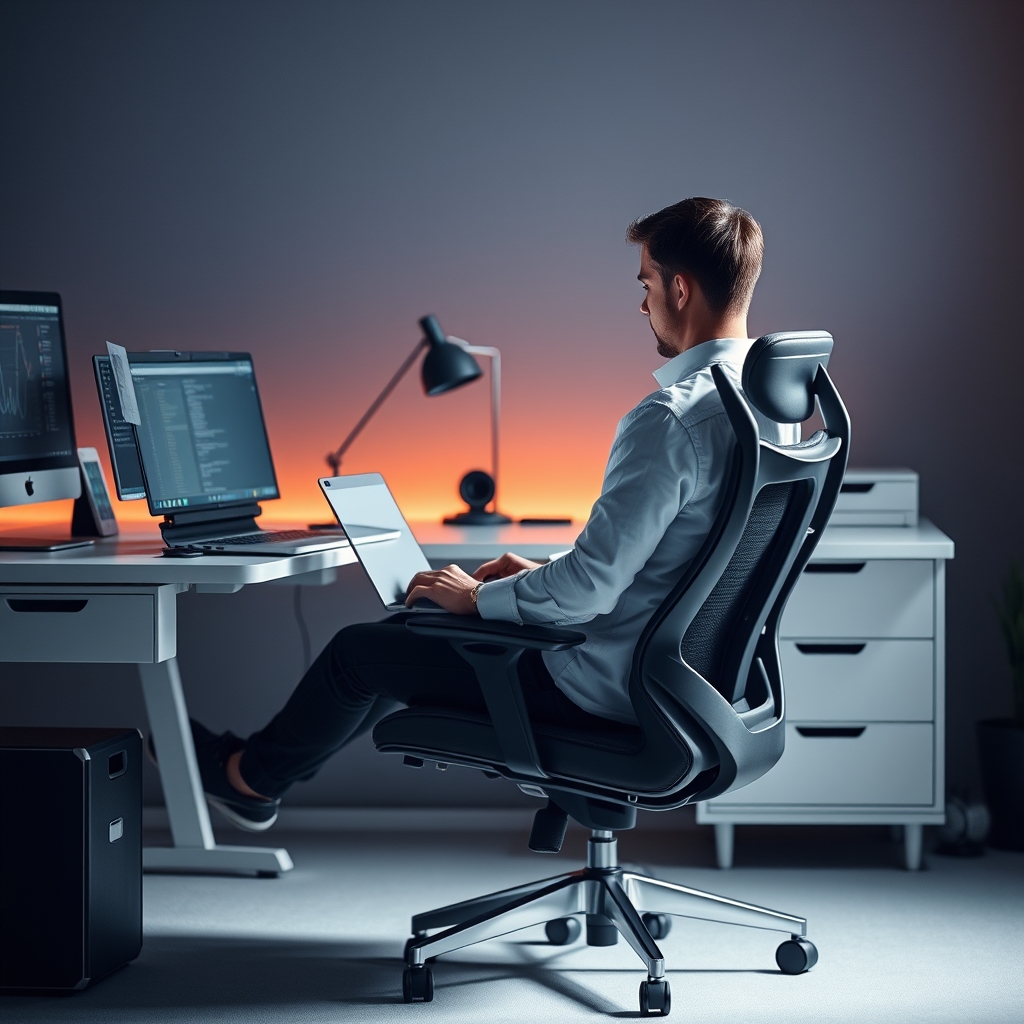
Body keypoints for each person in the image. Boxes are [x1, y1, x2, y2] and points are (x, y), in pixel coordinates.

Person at [187, 196, 793, 832]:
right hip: (700, 692)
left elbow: (591, 587)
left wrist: (480, 597)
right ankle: (255, 775)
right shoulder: (773, 407)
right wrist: (531, 577)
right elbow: (677, 567)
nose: (642, 305)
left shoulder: (671, 418)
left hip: (605, 693)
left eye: (645, 284)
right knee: (416, 625)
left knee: (358, 652)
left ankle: (247, 780)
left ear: (678, 286)